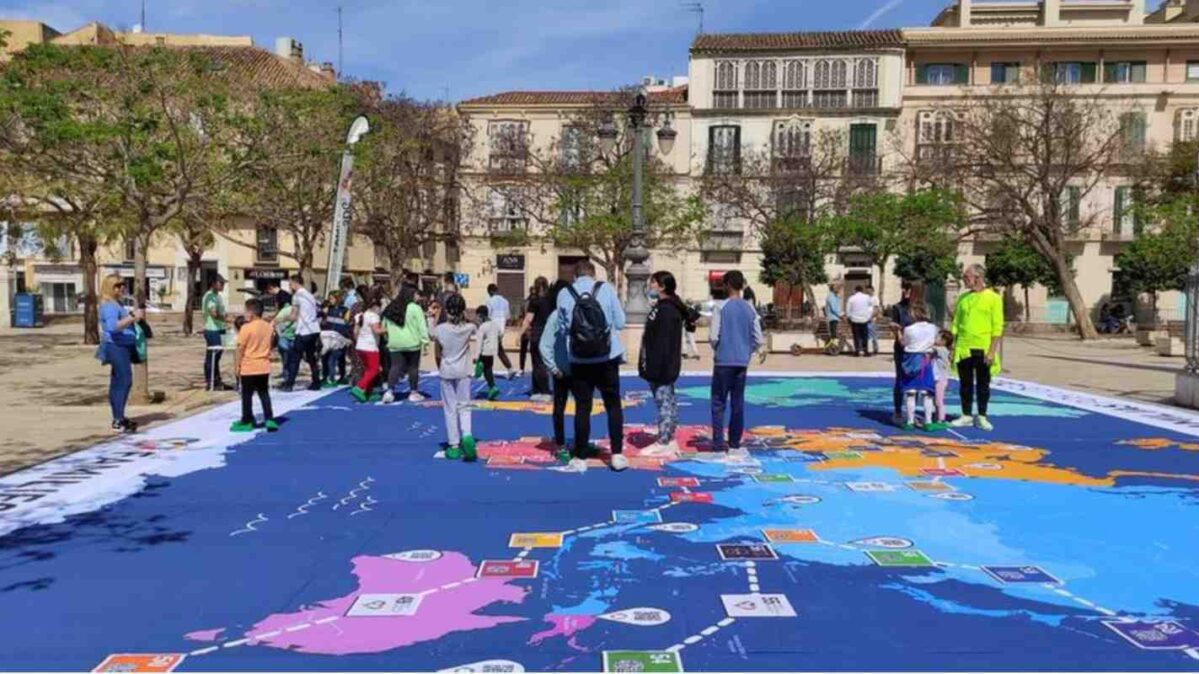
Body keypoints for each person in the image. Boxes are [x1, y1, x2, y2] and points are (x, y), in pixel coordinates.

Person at [555, 259, 628, 472]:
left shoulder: (565, 293)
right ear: (594, 274)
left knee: (582, 407)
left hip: (579, 359)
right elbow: (621, 322)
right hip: (607, 357)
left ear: (575, 275)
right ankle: (616, 454)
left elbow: (562, 328)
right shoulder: (606, 289)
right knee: (613, 405)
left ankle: (580, 456)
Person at [709, 270, 764, 455]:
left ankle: (718, 442)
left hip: (723, 361)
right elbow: (758, 337)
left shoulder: (720, 307)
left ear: (727, 285)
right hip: (741, 361)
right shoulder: (750, 308)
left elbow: (713, 336)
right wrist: (748, 350)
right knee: (737, 402)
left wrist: (718, 348)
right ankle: (734, 442)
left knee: (718, 402)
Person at [951, 263, 1004, 431]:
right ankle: (966, 414)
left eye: (967, 277)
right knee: (965, 383)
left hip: (983, 347)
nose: (964, 280)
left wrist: (992, 350)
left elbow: (997, 327)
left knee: (983, 384)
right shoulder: (963, 298)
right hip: (964, 346)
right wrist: (953, 346)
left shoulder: (994, 298)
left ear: (978, 278)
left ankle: (982, 415)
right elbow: (956, 324)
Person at [640, 271, 686, 458]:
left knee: (664, 401)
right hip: (658, 363)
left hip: (661, 366)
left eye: (653, 282)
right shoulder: (663, 307)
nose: (650, 285)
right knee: (666, 400)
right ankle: (668, 436)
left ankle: (665, 440)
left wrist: (657, 366)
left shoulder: (667, 310)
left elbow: (664, 342)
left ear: (662, 286)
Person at [432, 293, 478, 462]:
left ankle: (453, 444)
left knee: (450, 408)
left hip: (446, 370)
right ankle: (467, 434)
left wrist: (437, 315)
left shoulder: (440, 329)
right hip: (464, 371)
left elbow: (432, 334)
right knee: (464, 405)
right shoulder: (468, 328)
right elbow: (477, 326)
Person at [98, 274, 141, 433]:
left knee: (118, 382)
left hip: (121, 346)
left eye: (123, 284)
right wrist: (131, 317)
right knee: (124, 381)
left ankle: (119, 417)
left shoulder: (116, 303)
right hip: (116, 347)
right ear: (110, 287)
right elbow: (112, 327)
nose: (122, 287)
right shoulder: (109, 305)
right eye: (118, 285)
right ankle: (118, 419)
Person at [539, 279, 575, 466]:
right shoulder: (556, 317)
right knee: (563, 409)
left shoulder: (573, 312)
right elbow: (544, 345)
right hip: (567, 369)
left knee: (574, 409)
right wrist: (554, 368)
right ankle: (562, 444)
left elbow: (544, 345)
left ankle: (573, 443)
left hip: (572, 368)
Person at [231, 299, 278, 433]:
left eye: (245, 311)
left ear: (251, 313)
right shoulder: (268, 327)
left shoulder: (246, 328)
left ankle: (247, 420)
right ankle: (269, 418)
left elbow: (240, 349)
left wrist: (237, 366)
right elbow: (271, 343)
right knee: (264, 393)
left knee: (247, 395)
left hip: (249, 366)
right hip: (263, 365)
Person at [382, 285, 429, 403]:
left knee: (395, 367)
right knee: (413, 368)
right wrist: (425, 341)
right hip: (412, 343)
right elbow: (422, 325)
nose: (418, 297)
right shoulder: (415, 308)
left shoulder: (391, 307)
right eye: (416, 294)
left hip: (395, 343)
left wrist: (388, 338)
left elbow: (384, 325)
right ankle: (413, 392)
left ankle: (389, 391)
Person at [887, 281, 924, 425]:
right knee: (900, 378)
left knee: (915, 382)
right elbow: (896, 326)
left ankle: (911, 413)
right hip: (902, 348)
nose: (905, 291)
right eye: (904, 288)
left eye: (909, 289)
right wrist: (896, 330)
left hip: (918, 349)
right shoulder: (898, 307)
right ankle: (897, 411)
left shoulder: (923, 308)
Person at [899, 306, 938, 431]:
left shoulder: (909, 329)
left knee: (911, 392)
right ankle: (928, 421)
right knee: (927, 393)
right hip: (925, 360)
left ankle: (910, 421)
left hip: (911, 358)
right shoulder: (933, 328)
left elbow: (904, 343)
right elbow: (934, 341)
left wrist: (897, 333)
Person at [283, 274, 322, 391]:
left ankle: (289, 384)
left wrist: (278, 319)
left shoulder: (296, 296)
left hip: (303, 331)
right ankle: (316, 381)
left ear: (295, 283)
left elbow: (293, 316)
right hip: (314, 329)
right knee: (311, 357)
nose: (289, 286)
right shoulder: (310, 295)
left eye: (290, 284)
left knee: (295, 358)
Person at [350, 292, 385, 403]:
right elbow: (377, 331)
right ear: (376, 306)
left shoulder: (361, 315)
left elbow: (355, 332)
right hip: (370, 347)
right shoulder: (374, 316)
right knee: (374, 370)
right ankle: (359, 387)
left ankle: (367, 392)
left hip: (360, 346)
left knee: (368, 370)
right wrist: (390, 329)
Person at [523, 276, 553, 401]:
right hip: (549, 333)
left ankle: (542, 391)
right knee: (543, 363)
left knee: (537, 362)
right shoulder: (551, 300)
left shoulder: (535, 301)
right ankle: (538, 389)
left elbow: (529, 318)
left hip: (537, 333)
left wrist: (521, 333)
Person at [202, 275, 233, 391]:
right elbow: (214, 314)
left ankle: (217, 380)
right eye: (221, 283)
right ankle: (210, 381)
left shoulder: (218, 297)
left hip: (220, 329)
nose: (223, 285)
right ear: (214, 283)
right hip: (212, 330)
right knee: (213, 356)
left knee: (217, 356)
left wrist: (230, 319)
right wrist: (226, 319)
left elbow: (222, 313)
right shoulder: (209, 297)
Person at [486, 283, 516, 379]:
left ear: (490, 291)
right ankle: (510, 368)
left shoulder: (489, 301)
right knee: (498, 349)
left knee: (488, 350)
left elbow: (488, 315)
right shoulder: (505, 301)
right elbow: (508, 316)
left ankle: (487, 372)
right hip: (501, 327)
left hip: (493, 326)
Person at [475, 305, 502, 400]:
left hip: (484, 351)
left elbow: (479, 343)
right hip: (492, 351)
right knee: (489, 368)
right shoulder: (494, 324)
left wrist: (476, 356)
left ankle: (492, 387)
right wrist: (496, 342)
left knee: (486, 371)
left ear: (481, 316)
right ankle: (491, 386)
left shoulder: (482, 327)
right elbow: (500, 334)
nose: (477, 319)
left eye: (477, 316)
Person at [932, 330, 953, 430]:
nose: (936, 339)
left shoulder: (942, 350)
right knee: (935, 399)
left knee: (938, 400)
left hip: (941, 378)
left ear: (944, 341)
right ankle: (937, 417)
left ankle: (941, 419)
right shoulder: (941, 349)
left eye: (938, 337)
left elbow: (931, 349)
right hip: (937, 377)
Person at [846, 285, 874, 357]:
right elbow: (871, 307)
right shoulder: (867, 297)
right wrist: (868, 316)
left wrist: (849, 318)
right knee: (865, 336)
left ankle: (857, 351)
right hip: (864, 320)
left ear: (855, 290)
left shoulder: (851, 298)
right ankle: (865, 351)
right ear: (862, 290)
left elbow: (848, 310)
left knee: (856, 336)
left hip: (854, 320)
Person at [825, 283, 843, 352]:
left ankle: (832, 346)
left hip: (835, 317)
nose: (839, 289)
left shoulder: (835, 297)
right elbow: (834, 308)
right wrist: (841, 315)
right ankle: (833, 347)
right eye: (837, 288)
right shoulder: (831, 297)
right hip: (832, 318)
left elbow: (837, 307)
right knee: (833, 334)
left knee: (834, 333)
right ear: (833, 289)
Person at [866, 285, 881, 356]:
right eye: (867, 290)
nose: (867, 291)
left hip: (872, 319)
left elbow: (876, 309)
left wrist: (871, 317)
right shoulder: (866, 298)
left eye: (869, 290)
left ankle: (875, 349)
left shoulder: (875, 298)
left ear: (872, 290)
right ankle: (870, 349)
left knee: (873, 335)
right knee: (869, 335)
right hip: (866, 319)